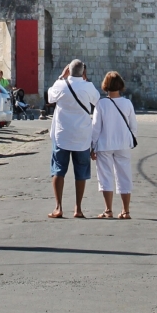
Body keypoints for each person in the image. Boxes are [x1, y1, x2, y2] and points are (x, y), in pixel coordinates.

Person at [47, 58, 100, 218]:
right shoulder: (88, 86)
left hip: (62, 134)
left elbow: (50, 98)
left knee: (58, 170)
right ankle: (78, 208)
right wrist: (85, 80)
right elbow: (97, 100)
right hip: (82, 136)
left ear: (68, 70)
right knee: (81, 172)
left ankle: (58, 207)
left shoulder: (61, 84)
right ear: (83, 72)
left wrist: (61, 77)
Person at [91, 71, 138, 219]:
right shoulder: (127, 103)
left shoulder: (101, 104)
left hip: (105, 144)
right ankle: (126, 210)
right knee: (124, 175)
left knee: (105, 176)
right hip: (123, 143)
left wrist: (92, 146)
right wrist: (131, 140)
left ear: (105, 86)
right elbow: (133, 126)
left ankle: (108, 210)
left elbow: (96, 128)